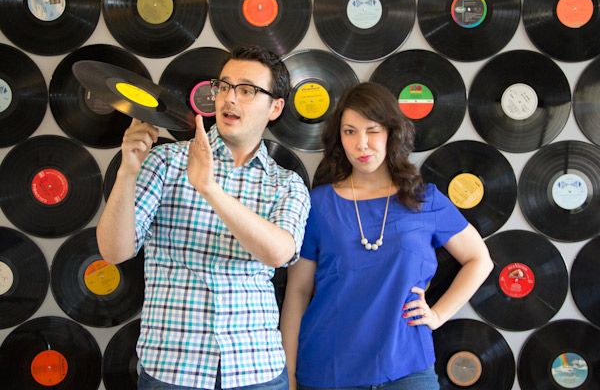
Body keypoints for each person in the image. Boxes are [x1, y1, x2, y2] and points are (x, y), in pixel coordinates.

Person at [97, 45, 310, 390]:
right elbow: (114, 252)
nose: (229, 99)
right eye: (224, 86)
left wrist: (210, 188)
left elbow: (279, 253)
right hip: (172, 370)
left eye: (247, 90)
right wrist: (127, 171)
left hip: (256, 371)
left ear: (275, 107)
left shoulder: (287, 184)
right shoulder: (165, 161)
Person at [281, 82, 493, 390]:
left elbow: (479, 260)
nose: (362, 144)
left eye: (373, 130)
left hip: (407, 370)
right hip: (328, 370)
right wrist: (289, 375)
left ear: (392, 132)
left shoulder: (425, 200)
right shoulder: (319, 204)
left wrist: (437, 315)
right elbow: (298, 292)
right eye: (350, 131)